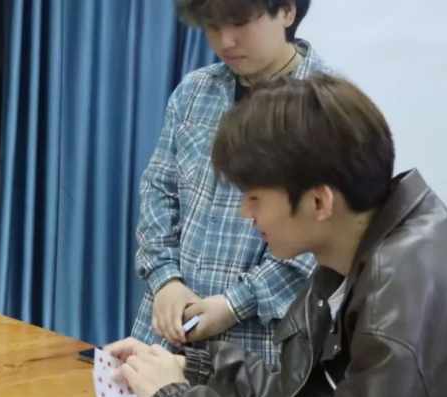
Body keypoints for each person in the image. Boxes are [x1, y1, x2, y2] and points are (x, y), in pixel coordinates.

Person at [109, 74, 447, 397]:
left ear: (319, 202)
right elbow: (298, 385)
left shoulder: (404, 289)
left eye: (254, 197)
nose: (245, 212)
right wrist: (191, 370)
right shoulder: (356, 250)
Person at [133, 0, 334, 363]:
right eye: (213, 26)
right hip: (166, 331)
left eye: (240, 23)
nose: (225, 41)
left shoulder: (327, 104)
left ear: (286, 11)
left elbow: (322, 238)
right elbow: (159, 190)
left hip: (258, 349)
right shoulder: (195, 91)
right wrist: (165, 279)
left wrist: (234, 304)